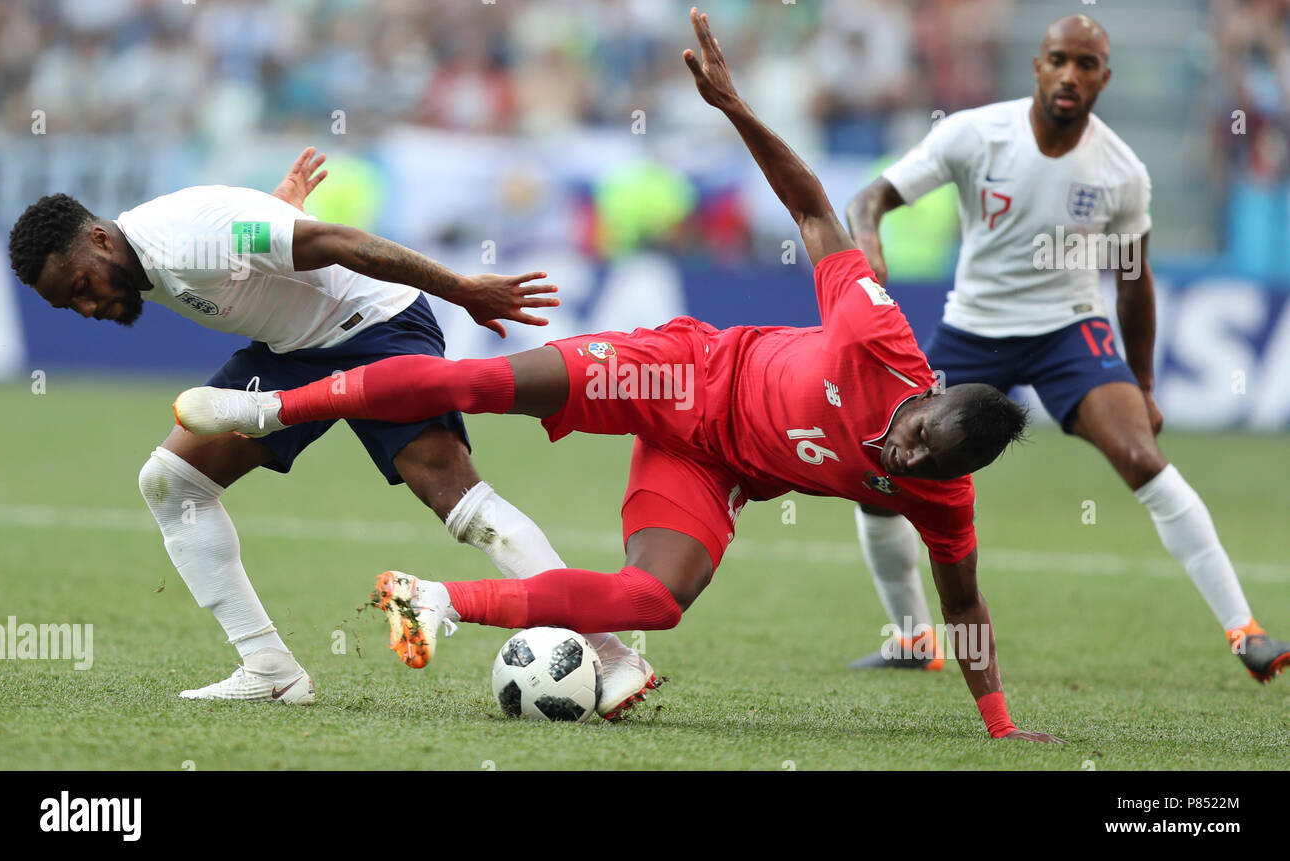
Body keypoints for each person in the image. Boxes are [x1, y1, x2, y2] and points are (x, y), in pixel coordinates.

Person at [175, 8, 1063, 742]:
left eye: (918, 463)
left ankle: (437, 601)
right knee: (479, 384)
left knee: (657, 601)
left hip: (711, 468)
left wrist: (999, 722)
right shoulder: (879, 335)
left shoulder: (942, 498)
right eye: (914, 431)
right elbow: (811, 207)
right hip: (678, 373)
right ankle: (272, 407)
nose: (899, 452)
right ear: (933, 390)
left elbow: (966, 605)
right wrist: (734, 106)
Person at [7, 149, 658, 717]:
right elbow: (253, 239)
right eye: (72, 306)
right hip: (292, 346)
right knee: (171, 482)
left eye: (84, 287)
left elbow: (340, 243)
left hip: (375, 325)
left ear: (97, 238)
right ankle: (269, 669)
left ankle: (609, 648)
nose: (89, 308)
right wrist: (278, 209)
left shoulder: (185, 242)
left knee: (454, 496)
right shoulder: (156, 253)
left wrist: (463, 289)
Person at [843, 13, 1290, 682]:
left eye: (1086, 65)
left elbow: (1134, 283)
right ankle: (912, 638)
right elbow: (870, 196)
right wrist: (870, 241)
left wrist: (1141, 382)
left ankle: (1245, 629)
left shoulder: (1121, 172)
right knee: (880, 474)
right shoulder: (974, 134)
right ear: (1038, 66)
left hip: (1068, 332)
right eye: (1059, 59)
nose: (1070, 75)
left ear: (1105, 77)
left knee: (1142, 457)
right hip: (973, 329)